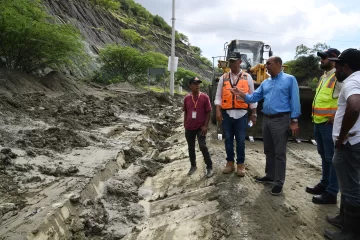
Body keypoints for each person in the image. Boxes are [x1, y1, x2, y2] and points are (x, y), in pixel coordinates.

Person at [229, 56, 301, 196]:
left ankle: (279, 182)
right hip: (266, 120)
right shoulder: (266, 83)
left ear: (279, 64)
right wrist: (240, 94)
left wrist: (294, 121)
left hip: (281, 119)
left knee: (280, 153)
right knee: (268, 150)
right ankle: (270, 175)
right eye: (266, 64)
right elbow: (253, 98)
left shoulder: (290, 79)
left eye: (269, 63)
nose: (266, 66)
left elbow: (295, 101)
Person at [323, 49, 360, 240]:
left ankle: (351, 233)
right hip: (352, 141)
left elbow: (354, 107)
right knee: (347, 184)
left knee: (351, 187)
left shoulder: (352, 81)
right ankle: (343, 219)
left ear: (346, 66)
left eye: (338, 65)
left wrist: (341, 136)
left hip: (350, 143)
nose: (335, 68)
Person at [306, 48, 342, 205]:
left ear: (333, 60)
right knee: (323, 155)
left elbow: (348, 98)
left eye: (324, 58)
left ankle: (331, 192)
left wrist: (337, 115)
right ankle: (324, 183)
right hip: (319, 122)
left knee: (331, 158)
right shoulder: (324, 77)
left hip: (329, 124)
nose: (321, 60)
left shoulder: (339, 77)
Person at [214, 52, 258, 177]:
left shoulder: (247, 77)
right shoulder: (224, 77)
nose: (232, 64)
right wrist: (218, 110)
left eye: (235, 61)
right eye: (230, 61)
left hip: (242, 114)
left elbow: (252, 96)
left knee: (240, 140)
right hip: (227, 114)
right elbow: (218, 96)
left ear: (240, 61)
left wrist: (253, 113)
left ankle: (240, 164)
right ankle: (229, 162)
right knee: (228, 139)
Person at [183, 77, 213, 178]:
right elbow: (186, 112)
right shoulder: (187, 98)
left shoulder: (205, 97)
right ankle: (193, 166)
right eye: (195, 83)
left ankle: (209, 167)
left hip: (201, 127)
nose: (197, 85)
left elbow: (209, 112)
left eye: (198, 83)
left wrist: (205, 126)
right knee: (191, 147)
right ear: (190, 85)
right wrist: (185, 123)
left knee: (202, 146)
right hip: (189, 127)